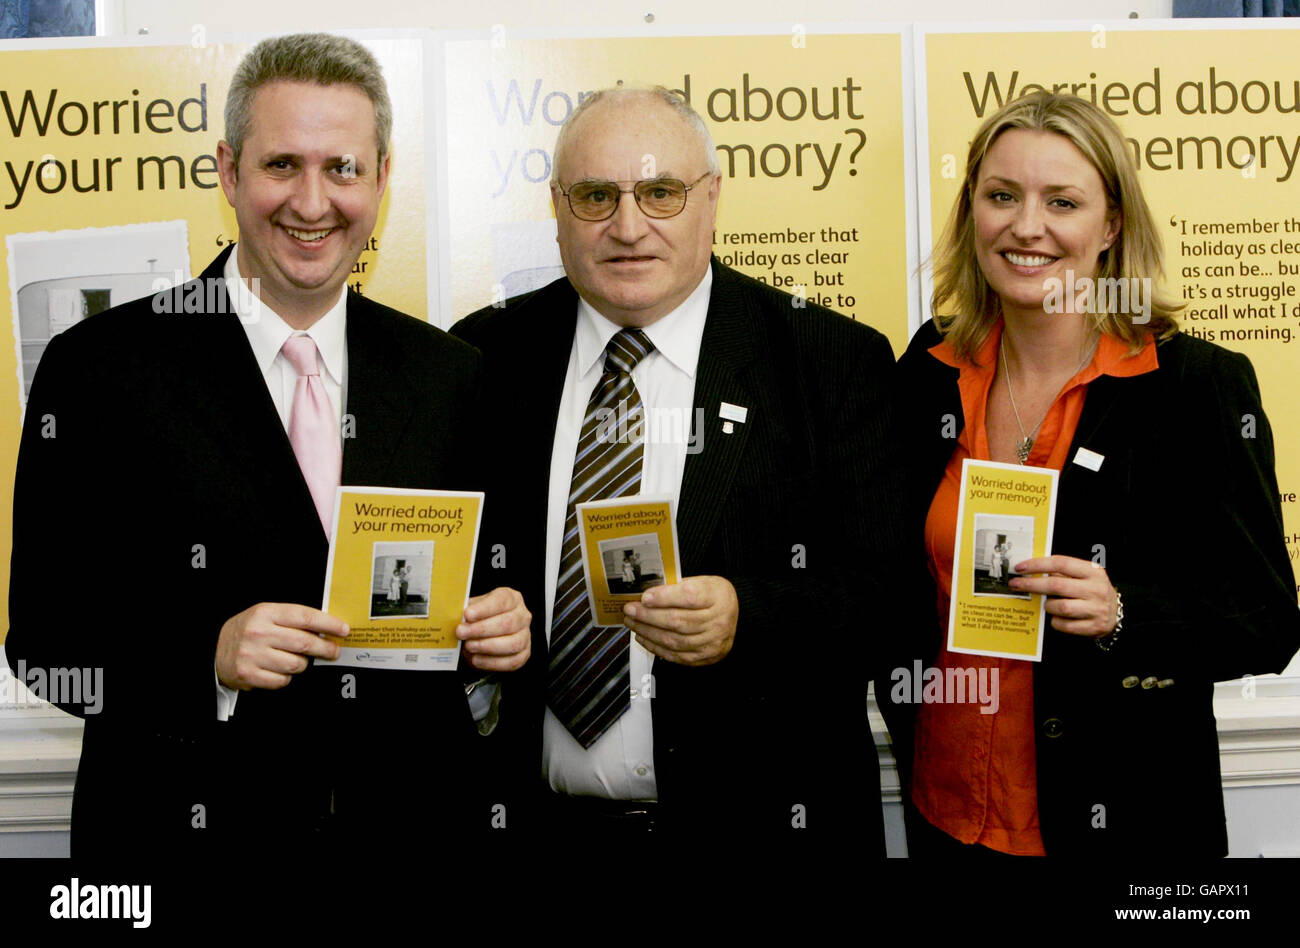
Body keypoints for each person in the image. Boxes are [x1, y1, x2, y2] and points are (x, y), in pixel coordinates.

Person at [4, 32, 530, 857]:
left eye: (343, 169)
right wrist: (204, 660)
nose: (313, 202)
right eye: (282, 165)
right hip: (183, 851)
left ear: (383, 179)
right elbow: (43, 641)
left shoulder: (453, 376)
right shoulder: (100, 369)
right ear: (228, 172)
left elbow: (489, 601)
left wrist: (499, 642)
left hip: (410, 851)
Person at [452, 86, 907, 844]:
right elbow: (439, 571)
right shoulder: (482, 359)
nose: (628, 228)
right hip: (536, 835)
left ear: (712, 197)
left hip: (761, 835)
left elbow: (889, 602)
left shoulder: (829, 362)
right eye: (597, 196)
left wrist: (746, 618)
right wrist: (473, 627)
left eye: (660, 192)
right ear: (558, 207)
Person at [885, 91, 1300, 857]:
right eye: (1001, 196)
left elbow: (1268, 620)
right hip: (947, 814)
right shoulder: (927, 369)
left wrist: (1125, 615)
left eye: (1062, 201)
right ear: (971, 208)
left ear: (1110, 226)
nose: (1026, 226)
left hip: (1120, 824)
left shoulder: (1193, 387)